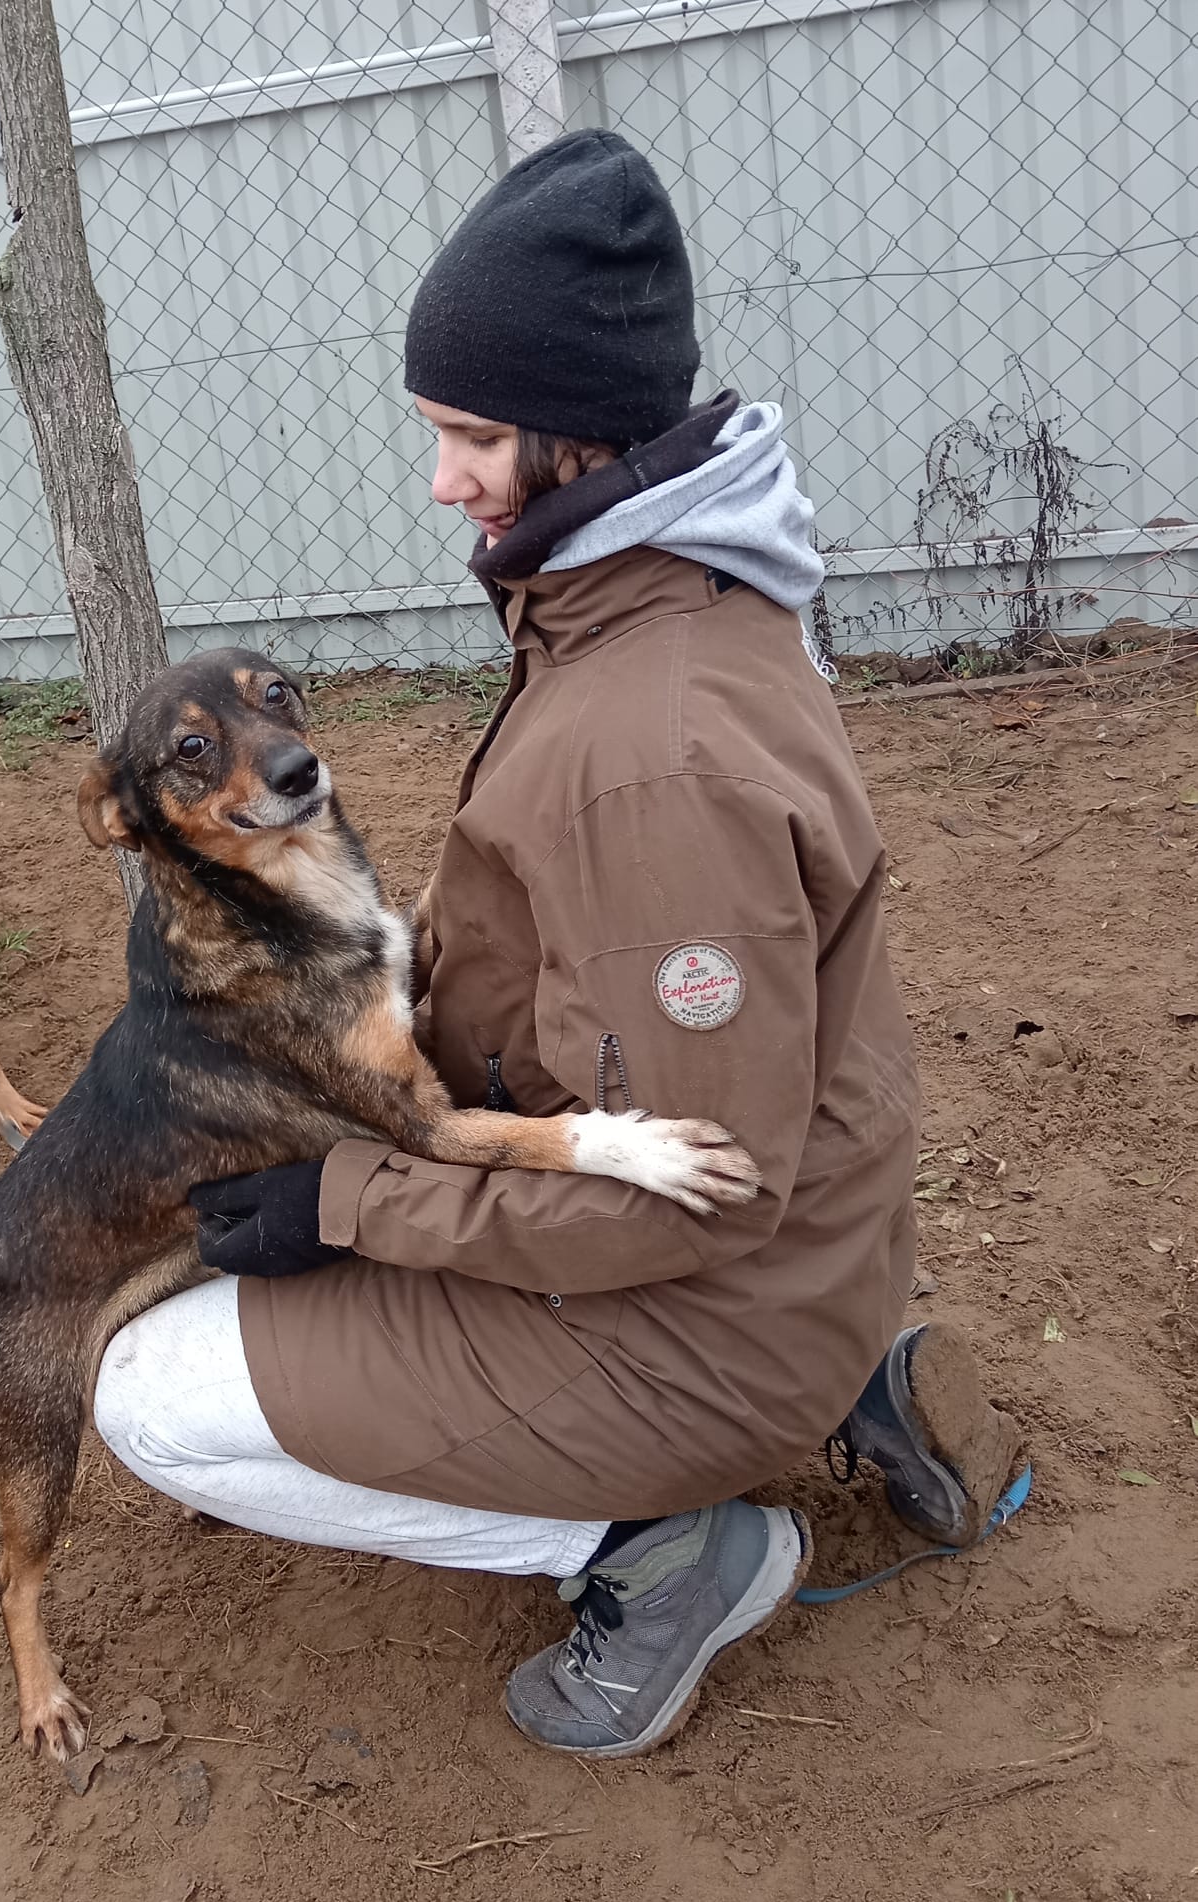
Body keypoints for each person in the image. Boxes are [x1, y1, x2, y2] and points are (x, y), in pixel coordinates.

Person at [93, 128, 1021, 1758]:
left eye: (469, 436)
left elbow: (676, 1191)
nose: (443, 479)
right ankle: (844, 1369)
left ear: (579, 434)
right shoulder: (670, 602)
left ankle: (662, 1546)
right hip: (812, 1258)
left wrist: (345, 1203)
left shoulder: (649, 757)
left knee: (142, 1397)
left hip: (704, 1312)